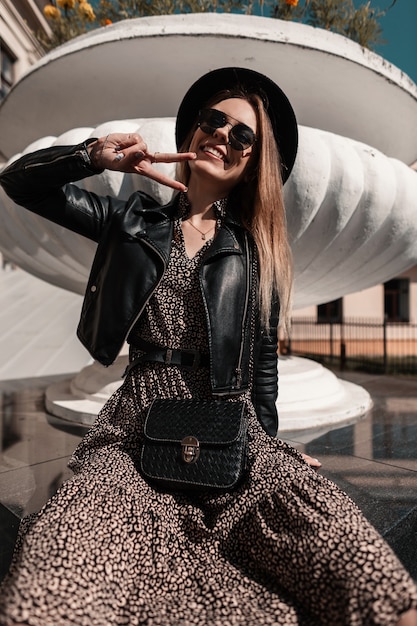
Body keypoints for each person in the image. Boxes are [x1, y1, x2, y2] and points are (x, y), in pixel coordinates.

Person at [0, 66, 416, 626]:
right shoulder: (132, 221)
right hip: (134, 423)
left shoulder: (255, 248)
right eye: (213, 120)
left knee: (348, 552)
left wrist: (271, 448)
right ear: (193, 132)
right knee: (64, 557)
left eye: (242, 134)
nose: (222, 134)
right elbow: (20, 183)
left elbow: (262, 363)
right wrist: (95, 155)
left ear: (252, 164)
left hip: (228, 418)